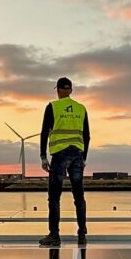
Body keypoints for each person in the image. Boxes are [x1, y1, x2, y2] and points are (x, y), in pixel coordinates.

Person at [39, 77, 90, 246]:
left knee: (54, 197)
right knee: (79, 197)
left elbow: (44, 132)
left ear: (58, 90)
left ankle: (54, 236)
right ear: (71, 90)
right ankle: (82, 234)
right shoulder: (81, 108)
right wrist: (84, 157)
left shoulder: (52, 106)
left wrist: (43, 156)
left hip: (60, 154)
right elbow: (87, 135)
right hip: (77, 154)